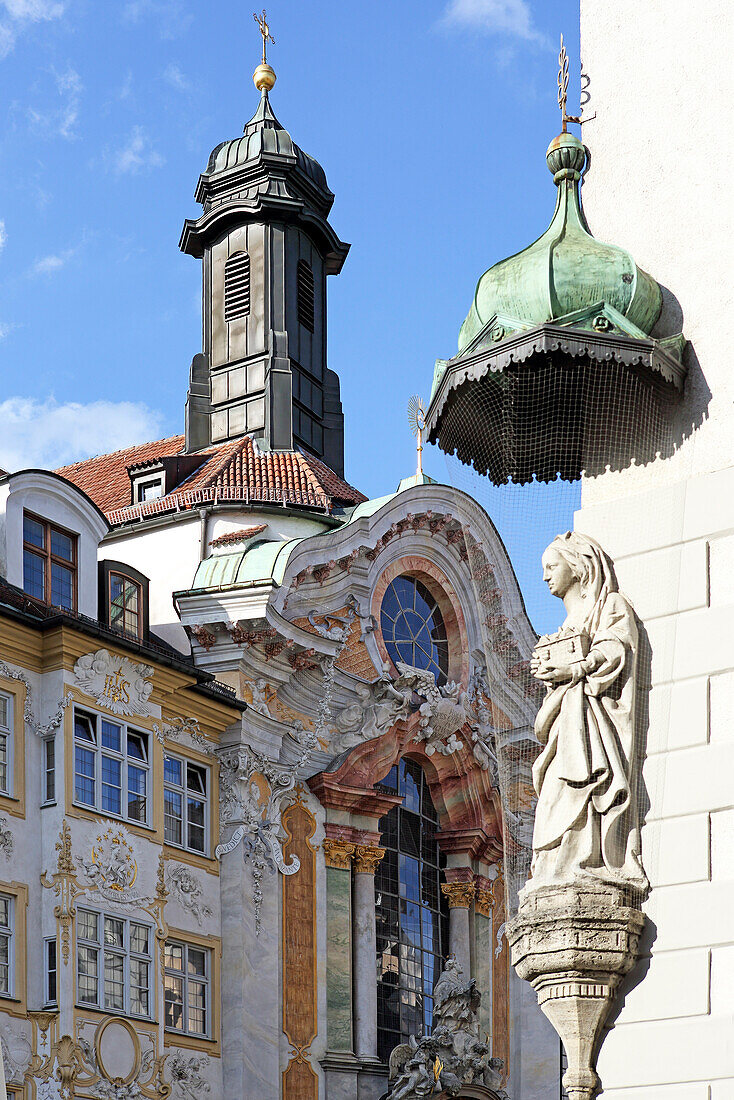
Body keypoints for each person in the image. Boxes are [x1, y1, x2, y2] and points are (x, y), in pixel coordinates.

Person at [527, 531, 648, 897]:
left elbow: (615, 648)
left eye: (551, 566)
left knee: (585, 786)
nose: (545, 576)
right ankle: (556, 868)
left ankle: (587, 861)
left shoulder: (608, 606)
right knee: (552, 788)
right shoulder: (564, 625)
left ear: (577, 566)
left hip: (593, 723)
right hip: (567, 722)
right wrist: (547, 670)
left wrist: (576, 669)